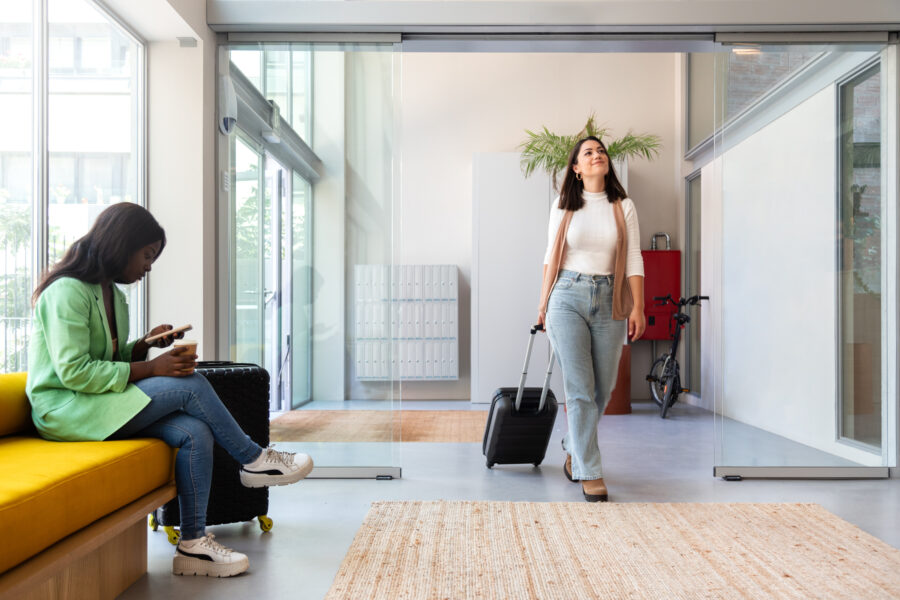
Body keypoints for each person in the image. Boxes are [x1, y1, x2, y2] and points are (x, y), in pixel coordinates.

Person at [26, 203, 313, 578]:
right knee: (189, 384)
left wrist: (144, 346)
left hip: (95, 402)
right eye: (146, 255)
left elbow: (107, 359)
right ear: (120, 244)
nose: (148, 266)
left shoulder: (114, 295)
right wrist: (151, 367)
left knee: (195, 432)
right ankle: (253, 459)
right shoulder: (67, 292)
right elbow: (75, 372)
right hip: (66, 410)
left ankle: (193, 544)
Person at [537, 136, 646, 502]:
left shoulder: (623, 206)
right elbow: (550, 258)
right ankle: (589, 471)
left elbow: (633, 259)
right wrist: (542, 305)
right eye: (588, 152)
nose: (597, 155)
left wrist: (638, 306)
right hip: (566, 296)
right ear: (576, 168)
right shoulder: (564, 205)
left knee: (604, 389)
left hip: (610, 298)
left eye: (601, 151)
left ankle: (573, 446)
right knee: (580, 389)